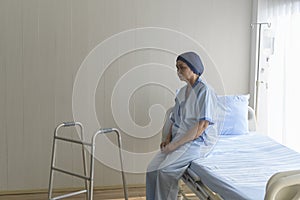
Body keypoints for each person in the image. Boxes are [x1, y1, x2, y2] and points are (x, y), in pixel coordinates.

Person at [146, 51, 219, 200]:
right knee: (152, 170)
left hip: (197, 142)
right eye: (177, 67)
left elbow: (202, 126)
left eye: (182, 67)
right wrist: (168, 139)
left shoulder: (205, 91)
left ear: (194, 68)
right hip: (179, 139)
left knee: (165, 171)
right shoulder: (182, 92)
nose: (178, 71)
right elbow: (174, 120)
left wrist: (175, 145)